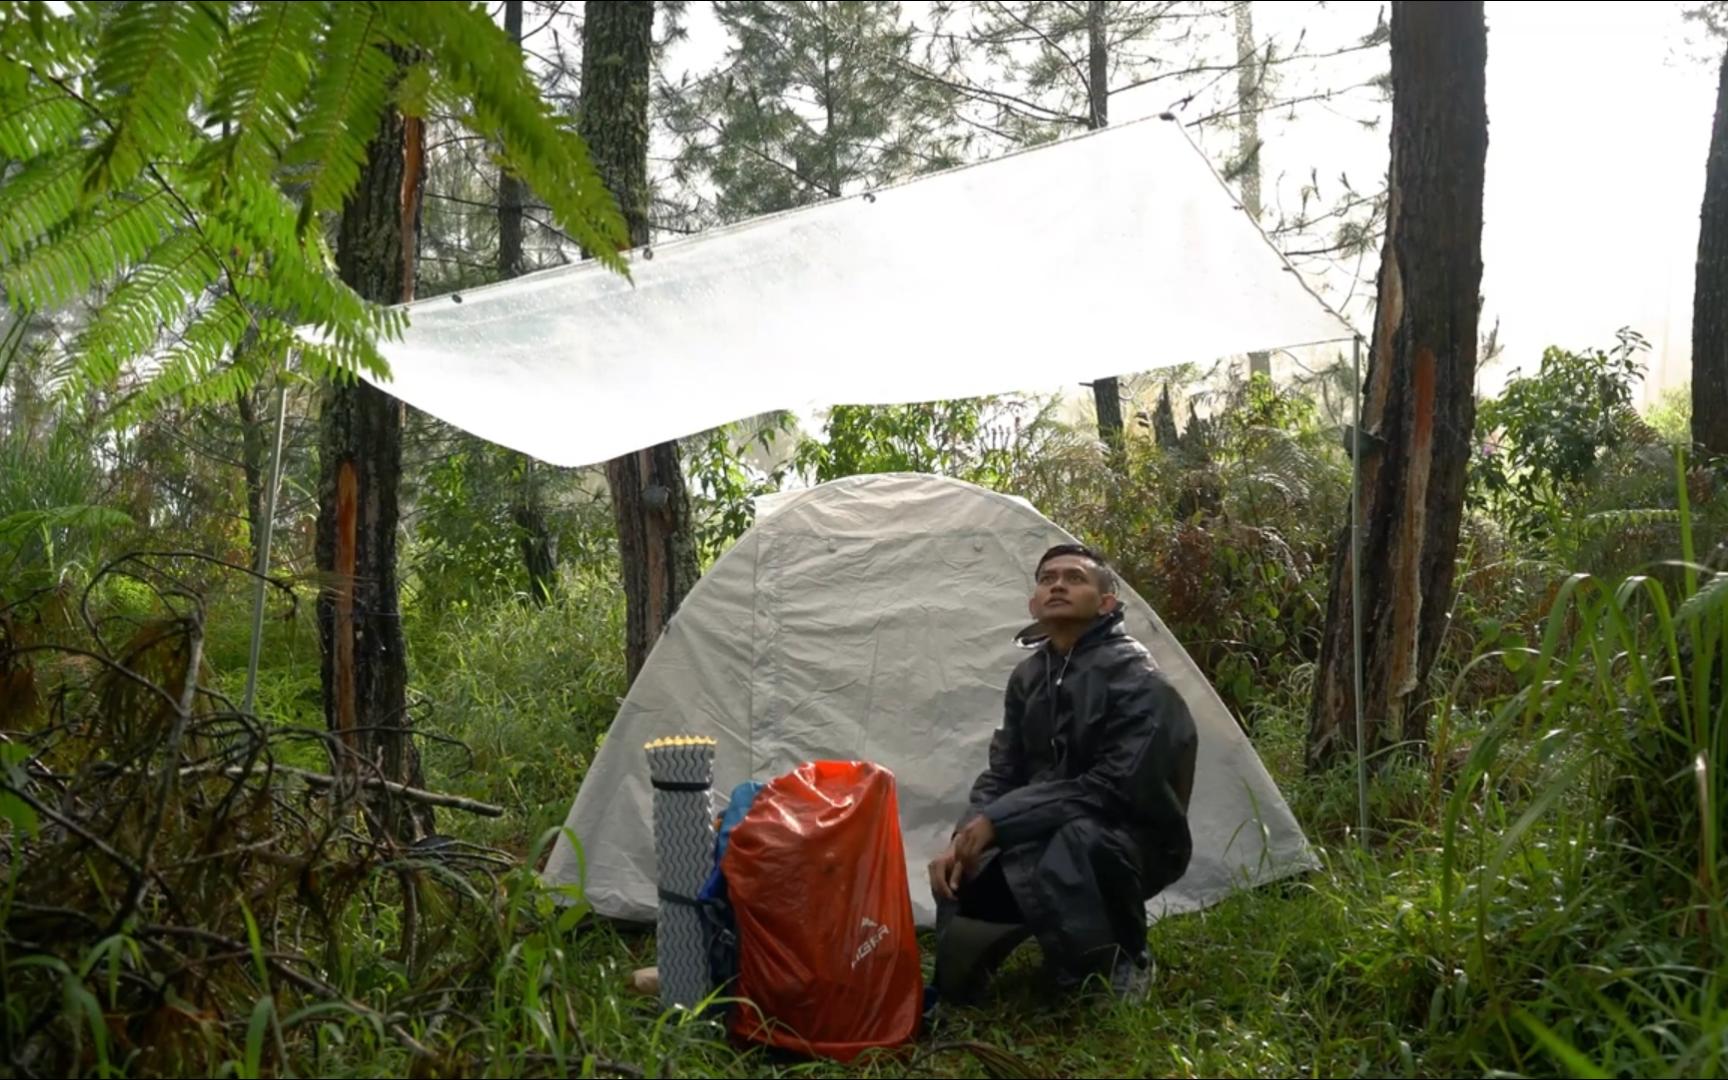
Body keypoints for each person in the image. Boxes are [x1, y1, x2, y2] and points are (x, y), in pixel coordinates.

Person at [929, 543, 1198, 1000]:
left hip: (1135, 838)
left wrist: (1001, 822)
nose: (1057, 584)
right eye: (1047, 578)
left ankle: (1118, 962)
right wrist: (965, 834)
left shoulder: (1138, 679)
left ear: (1106, 603)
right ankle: (964, 975)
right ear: (1034, 602)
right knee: (964, 865)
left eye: (1074, 578)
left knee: (1075, 842)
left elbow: (1113, 789)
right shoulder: (1029, 678)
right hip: (1051, 825)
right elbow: (1004, 772)